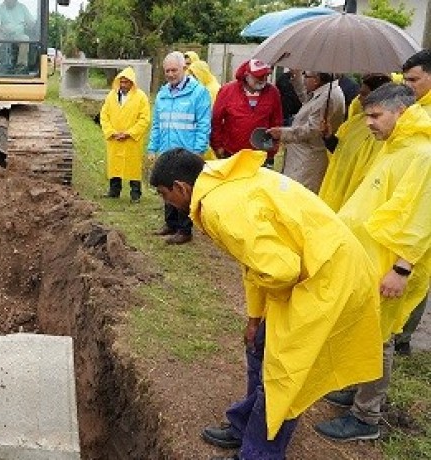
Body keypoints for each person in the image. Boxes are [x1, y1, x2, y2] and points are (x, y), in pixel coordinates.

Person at [149, 148, 382, 460]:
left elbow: (278, 270)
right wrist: (255, 316)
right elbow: (256, 263)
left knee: (285, 372)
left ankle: (260, 453)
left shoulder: (221, 209)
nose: (167, 203)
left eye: (165, 195)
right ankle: (244, 424)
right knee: (259, 345)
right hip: (312, 265)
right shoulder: (222, 181)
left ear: (182, 187)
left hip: (326, 278)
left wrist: (272, 305)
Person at [315, 83, 431, 442]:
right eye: (367, 116)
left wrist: (401, 269)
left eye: (376, 116)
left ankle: (366, 417)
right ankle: (354, 389)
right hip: (368, 259)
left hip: (388, 266)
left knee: (379, 338)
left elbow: (420, 218)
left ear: (401, 112)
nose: (370, 123)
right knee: (361, 329)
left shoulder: (422, 154)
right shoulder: (395, 147)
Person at [147, 51, 212, 245]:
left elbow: (203, 124)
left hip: (187, 152)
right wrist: (152, 148)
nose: (170, 74)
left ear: (183, 68)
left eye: (174, 70)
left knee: (183, 192)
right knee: (167, 188)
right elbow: (157, 124)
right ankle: (171, 224)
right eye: (167, 71)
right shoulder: (163, 94)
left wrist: (198, 150)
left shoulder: (198, 93)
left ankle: (185, 230)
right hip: (167, 150)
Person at [393, 49, 431, 356]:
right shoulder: (418, 109)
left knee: (416, 273)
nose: (408, 86)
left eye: (414, 80)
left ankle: (401, 338)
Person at [317, 74, 391, 212]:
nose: (359, 99)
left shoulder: (385, 131)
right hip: (339, 185)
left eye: (364, 94)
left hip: (358, 193)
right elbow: (339, 150)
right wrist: (328, 137)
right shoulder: (354, 122)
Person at [268, 71, 345, 193]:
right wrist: (296, 77)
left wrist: (282, 133)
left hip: (308, 159)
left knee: (297, 195)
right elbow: (307, 101)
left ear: (316, 80)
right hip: (302, 157)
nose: (304, 79)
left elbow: (312, 130)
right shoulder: (324, 93)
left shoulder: (328, 97)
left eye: (306, 76)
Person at [210, 60, 282, 168]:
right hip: (232, 154)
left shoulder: (273, 92)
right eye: (258, 76)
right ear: (247, 75)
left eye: (265, 76)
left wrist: (272, 150)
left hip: (260, 155)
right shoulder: (227, 91)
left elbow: (276, 121)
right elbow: (216, 120)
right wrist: (218, 146)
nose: (263, 80)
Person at [99, 67, 151, 202]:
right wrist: (111, 132)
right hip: (114, 139)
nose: (123, 85)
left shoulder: (141, 97)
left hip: (132, 140)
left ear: (132, 83)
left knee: (133, 166)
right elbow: (104, 115)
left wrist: (129, 133)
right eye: (121, 82)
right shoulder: (111, 96)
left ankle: (135, 194)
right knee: (115, 165)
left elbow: (144, 119)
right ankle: (114, 191)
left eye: (126, 82)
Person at [187, 60, 221, 161]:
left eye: (195, 75)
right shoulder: (203, 88)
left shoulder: (212, 89)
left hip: (210, 132)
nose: (193, 78)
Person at [0, 0, 35, 71]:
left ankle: (21, 66)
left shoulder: (22, 8)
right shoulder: (0, 8)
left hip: (18, 35)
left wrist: (30, 24)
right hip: (3, 34)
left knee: (25, 39)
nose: (10, 1)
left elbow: (31, 22)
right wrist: (2, 29)